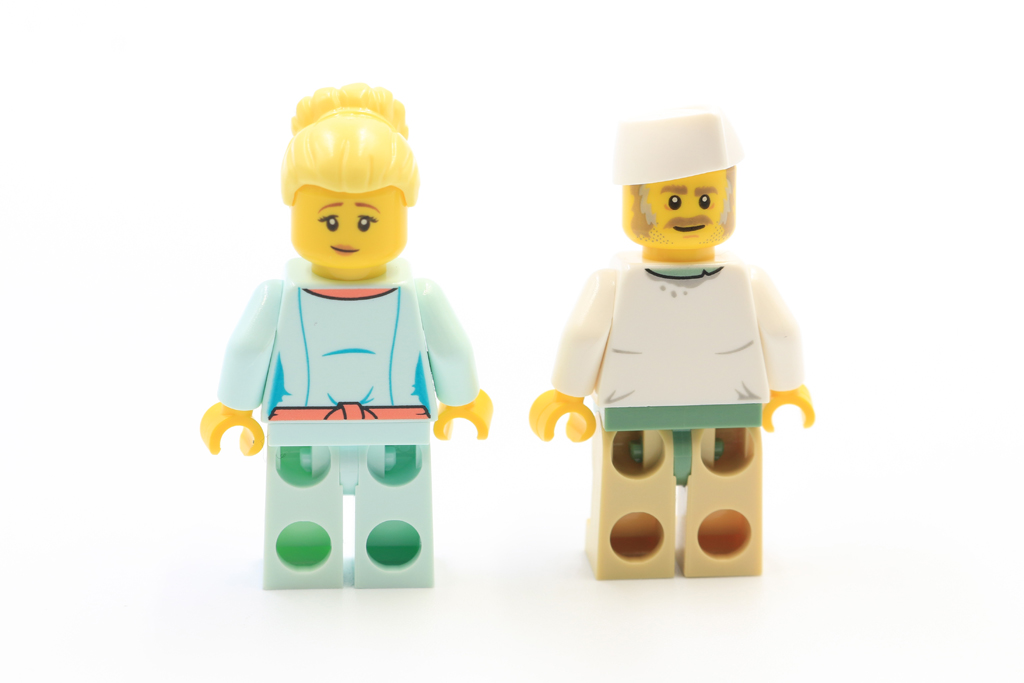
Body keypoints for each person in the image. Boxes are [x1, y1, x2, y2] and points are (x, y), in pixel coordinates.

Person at [200, 84, 492, 589]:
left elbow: (450, 347)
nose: (348, 234)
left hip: (392, 426)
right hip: (306, 426)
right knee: (303, 517)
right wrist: (234, 407)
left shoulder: (416, 293)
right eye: (330, 219)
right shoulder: (281, 294)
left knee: (395, 519)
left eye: (367, 219)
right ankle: (307, 566)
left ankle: (390, 565)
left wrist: (464, 399)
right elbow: (248, 347)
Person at [529, 106, 814, 579]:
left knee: (716, 502)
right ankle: (647, 549)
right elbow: (585, 333)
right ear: (634, 204)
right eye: (673, 201)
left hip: (721, 413)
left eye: (706, 198)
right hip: (650, 416)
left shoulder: (745, 279)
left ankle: (713, 548)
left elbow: (782, 331)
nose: (691, 213)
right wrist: (567, 395)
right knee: (641, 501)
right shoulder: (616, 281)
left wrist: (787, 388)